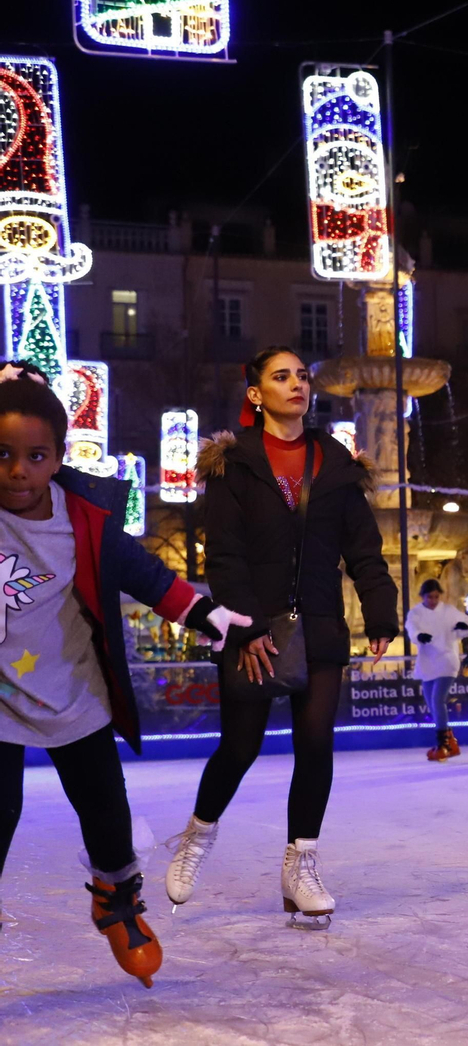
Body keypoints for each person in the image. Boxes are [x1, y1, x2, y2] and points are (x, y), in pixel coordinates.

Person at [0, 365, 250, 986]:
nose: (17, 470)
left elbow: (151, 578)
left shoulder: (86, 516)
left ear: (58, 457)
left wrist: (212, 617)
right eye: (1, 454)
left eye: (35, 455)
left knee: (107, 810)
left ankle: (116, 901)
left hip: (74, 691)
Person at [166, 346, 398, 926]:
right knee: (240, 748)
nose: (296, 384)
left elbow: (363, 549)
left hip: (319, 624)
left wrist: (380, 613)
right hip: (254, 629)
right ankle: (197, 835)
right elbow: (223, 555)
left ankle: (301, 863)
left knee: (315, 743)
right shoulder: (234, 463)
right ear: (256, 394)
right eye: (280, 376)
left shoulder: (335, 461)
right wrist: (246, 627)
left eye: (300, 376)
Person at [405, 578, 468, 762]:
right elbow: (411, 629)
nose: (433, 600)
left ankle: (443, 744)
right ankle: (450, 741)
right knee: (431, 703)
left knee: (437, 700)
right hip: (428, 662)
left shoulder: (449, 611)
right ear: (423, 596)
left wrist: (464, 627)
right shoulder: (416, 613)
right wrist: (419, 636)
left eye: (436, 597)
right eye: (430, 597)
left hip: (447, 661)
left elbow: (466, 624)